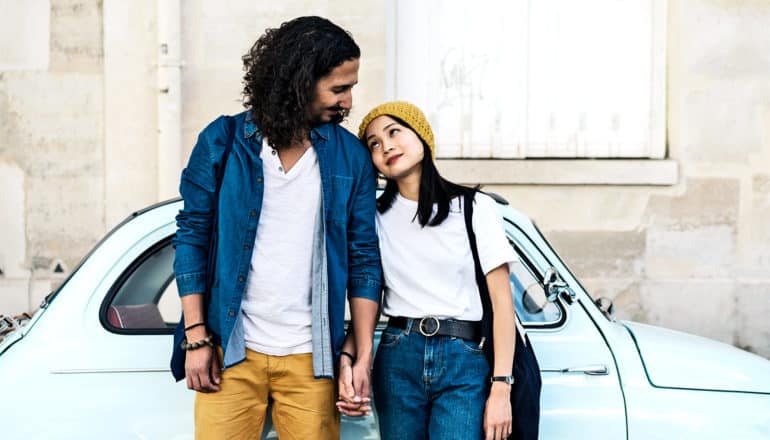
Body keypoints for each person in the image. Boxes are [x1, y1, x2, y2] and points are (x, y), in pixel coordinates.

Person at [171, 16, 381, 440]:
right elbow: (191, 235)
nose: (348, 101)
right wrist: (195, 338)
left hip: (311, 356)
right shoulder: (223, 141)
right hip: (230, 350)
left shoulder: (349, 157)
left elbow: (364, 259)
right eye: (339, 88)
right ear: (300, 82)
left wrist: (359, 357)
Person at [339, 101, 519, 440]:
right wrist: (349, 356)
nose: (386, 146)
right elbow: (368, 297)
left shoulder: (474, 207)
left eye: (394, 132)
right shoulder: (373, 218)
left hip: (463, 359)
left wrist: (501, 388)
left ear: (421, 135)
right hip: (397, 355)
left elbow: (502, 305)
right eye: (374, 144)